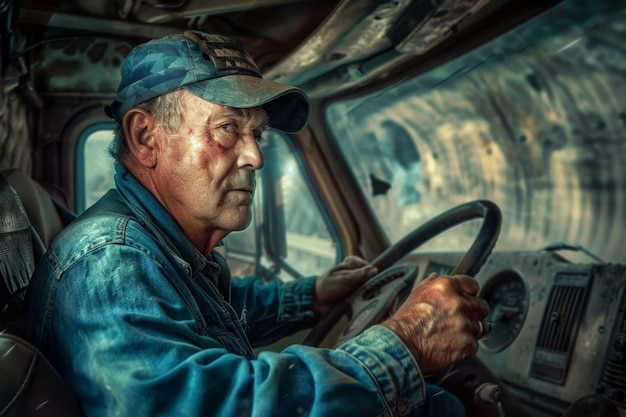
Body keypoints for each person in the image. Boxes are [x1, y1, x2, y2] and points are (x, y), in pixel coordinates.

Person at [24, 30, 490, 417]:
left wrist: (309, 297)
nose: (255, 156)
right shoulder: (110, 263)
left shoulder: (165, 250)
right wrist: (404, 341)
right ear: (147, 137)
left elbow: (213, 312)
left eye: (257, 133)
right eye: (228, 128)